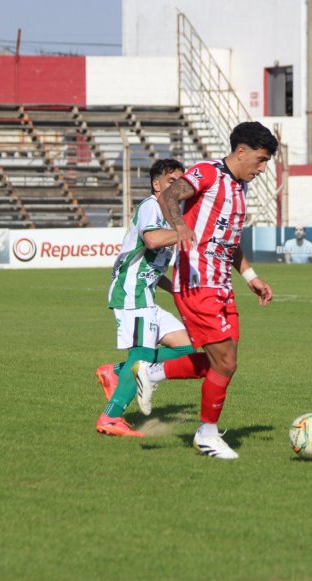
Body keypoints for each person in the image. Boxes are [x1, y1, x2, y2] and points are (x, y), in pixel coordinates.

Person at [157, 121, 277, 460]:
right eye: (261, 159)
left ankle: (150, 373)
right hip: (196, 282)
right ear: (241, 152)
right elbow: (169, 195)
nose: (263, 168)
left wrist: (251, 277)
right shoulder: (207, 172)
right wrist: (179, 225)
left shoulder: (240, 189)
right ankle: (206, 434)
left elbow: (230, 244)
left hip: (222, 283)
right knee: (224, 361)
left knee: (224, 362)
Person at [95, 159, 212, 437]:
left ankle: (116, 371)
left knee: (187, 348)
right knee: (143, 358)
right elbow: (152, 241)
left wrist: (174, 288)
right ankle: (110, 418)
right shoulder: (151, 206)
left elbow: (152, 266)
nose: (179, 186)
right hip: (131, 293)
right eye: (172, 181)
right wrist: (183, 232)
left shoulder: (171, 216)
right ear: (156, 184)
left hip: (145, 294)